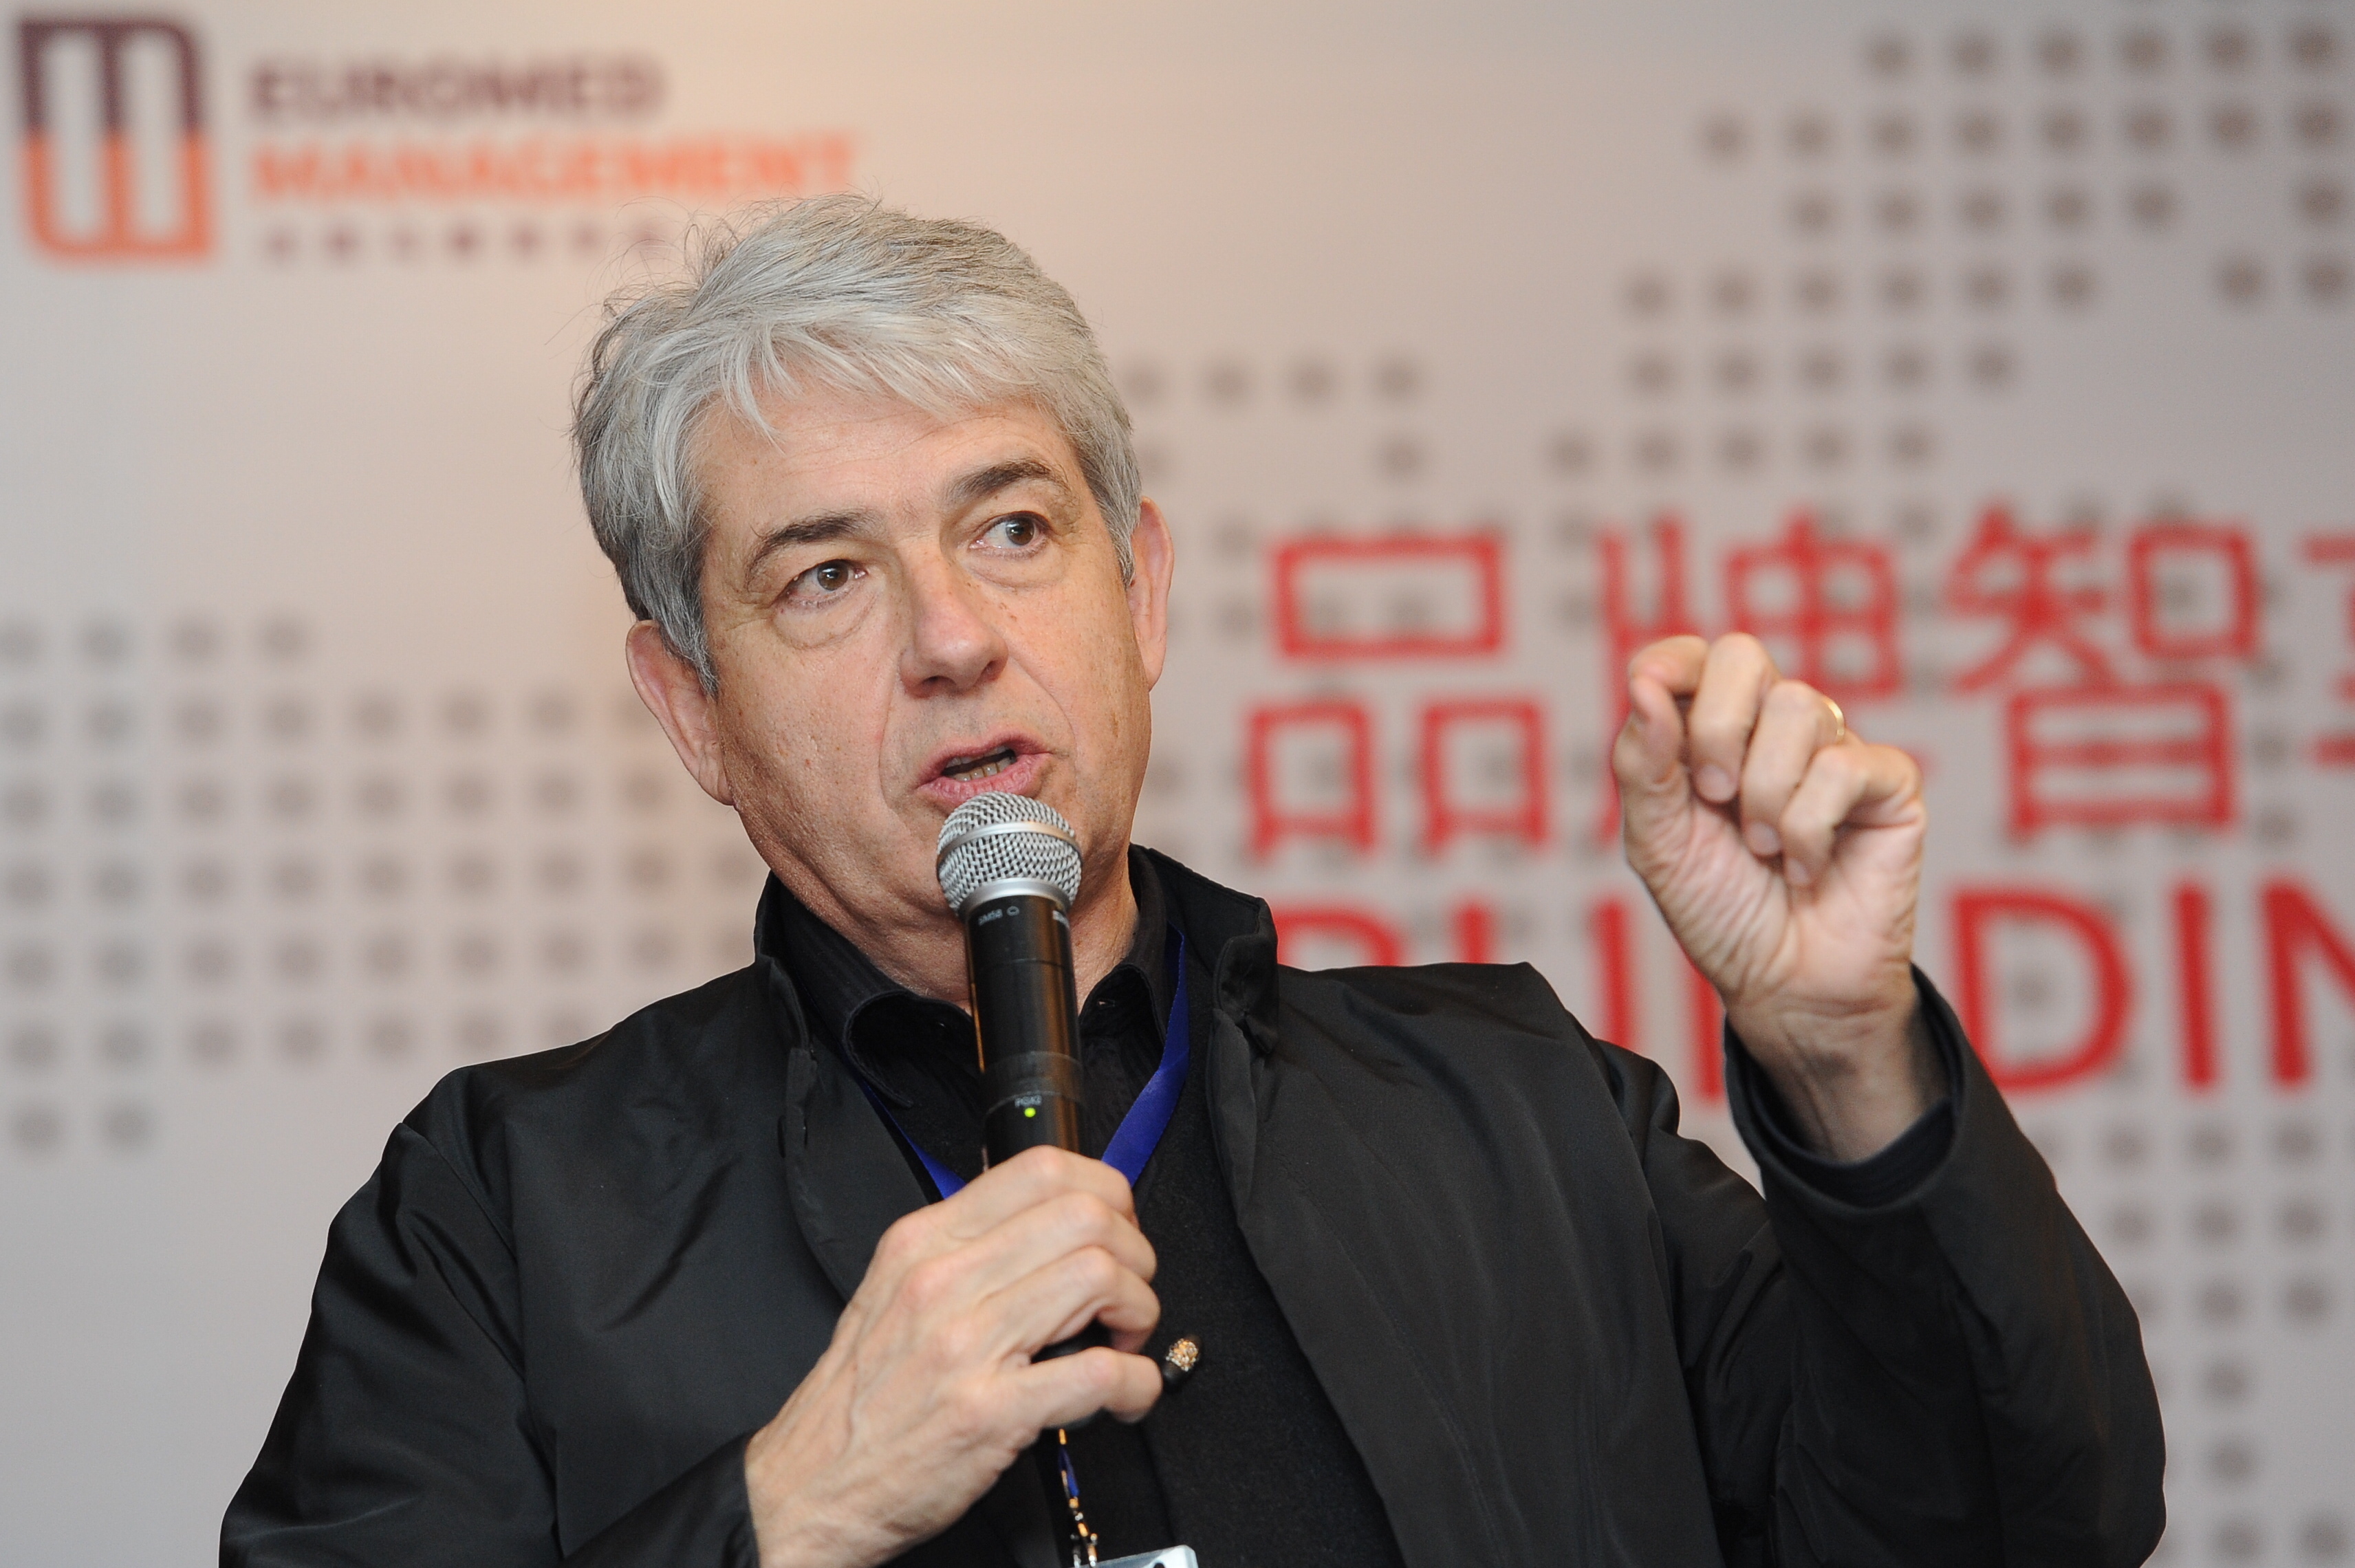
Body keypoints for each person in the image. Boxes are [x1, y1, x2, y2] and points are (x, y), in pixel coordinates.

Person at [223, 197, 2163, 1568]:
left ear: (1140, 592)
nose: (953, 640)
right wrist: (785, 1511)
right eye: (825, 576)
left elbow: (2022, 1527)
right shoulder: (510, 1212)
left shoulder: (1518, 1110)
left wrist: (1845, 1058)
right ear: (692, 709)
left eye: (1012, 528)